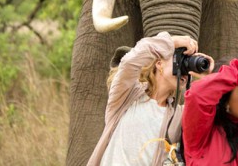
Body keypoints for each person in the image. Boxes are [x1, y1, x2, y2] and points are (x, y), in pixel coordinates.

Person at [88, 33, 211, 166]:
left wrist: (209, 75)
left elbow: (210, 108)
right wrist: (172, 42)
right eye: (179, 60)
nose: (184, 71)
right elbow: (130, 61)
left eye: (186, 67)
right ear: (159, 64)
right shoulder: (127, 95)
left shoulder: (178, 115)